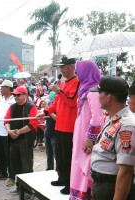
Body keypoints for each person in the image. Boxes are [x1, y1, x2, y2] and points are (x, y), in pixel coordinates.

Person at [37, 56, 80, 194]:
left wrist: (59, 91)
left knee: (67, 156)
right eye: (61, 67)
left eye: (64, 67)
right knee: (59, 155)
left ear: (72, 67)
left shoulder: (77, 82)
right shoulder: (63, 83)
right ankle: (61, 178)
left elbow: (72, 102)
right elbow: (57, 103)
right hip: (59, 125)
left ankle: (69, 184)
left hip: (69, 127)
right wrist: (45, 111)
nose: (62, 69)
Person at [90, 76, 135, 200]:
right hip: (102, 184)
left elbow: (126, 171)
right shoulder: (113, 118)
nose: (98, 97)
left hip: (112, 187)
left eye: (100, 93)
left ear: (109, 97)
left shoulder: (127, 125)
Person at [70, 61, 104, 199]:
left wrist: (90, 139)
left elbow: (97, 118)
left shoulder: (94, 91)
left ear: (86, 72)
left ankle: (85, 193)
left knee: (86, 164)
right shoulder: (85, 89)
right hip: (80, 135)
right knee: (78, 163)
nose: (77, 75)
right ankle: (78, 193)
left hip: (87, 138)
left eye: (78, 72)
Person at [4, 86, 39, 197]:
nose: (16, 97)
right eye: (14, 95)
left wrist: (18, 132)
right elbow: (6, 120)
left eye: (18, 95)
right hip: (13, 140)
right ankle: (19, 188)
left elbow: (32, 125)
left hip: (25, 141)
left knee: (27, 166)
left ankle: (29, 191)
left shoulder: (31, 107)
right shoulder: (12, 107)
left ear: (25, 95)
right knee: (15, 165)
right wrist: (9, 131)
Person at [0, 80, 16, 187]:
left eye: (2, 87)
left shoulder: (14, 100)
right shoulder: (1, 99)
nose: (0, 89)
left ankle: (12, 176)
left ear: (7, 88)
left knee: (10, 155)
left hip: (8, 132)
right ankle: (2, 173)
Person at [42, 91, 56, 170]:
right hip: (47, 132)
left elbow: (57, 118)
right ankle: (49, 171)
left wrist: (47, 109)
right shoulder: (50, 104)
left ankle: (59, 174)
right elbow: (46, 117)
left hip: (55, 134)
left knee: (57, 156)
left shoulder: (59, 106)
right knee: (49, 155)